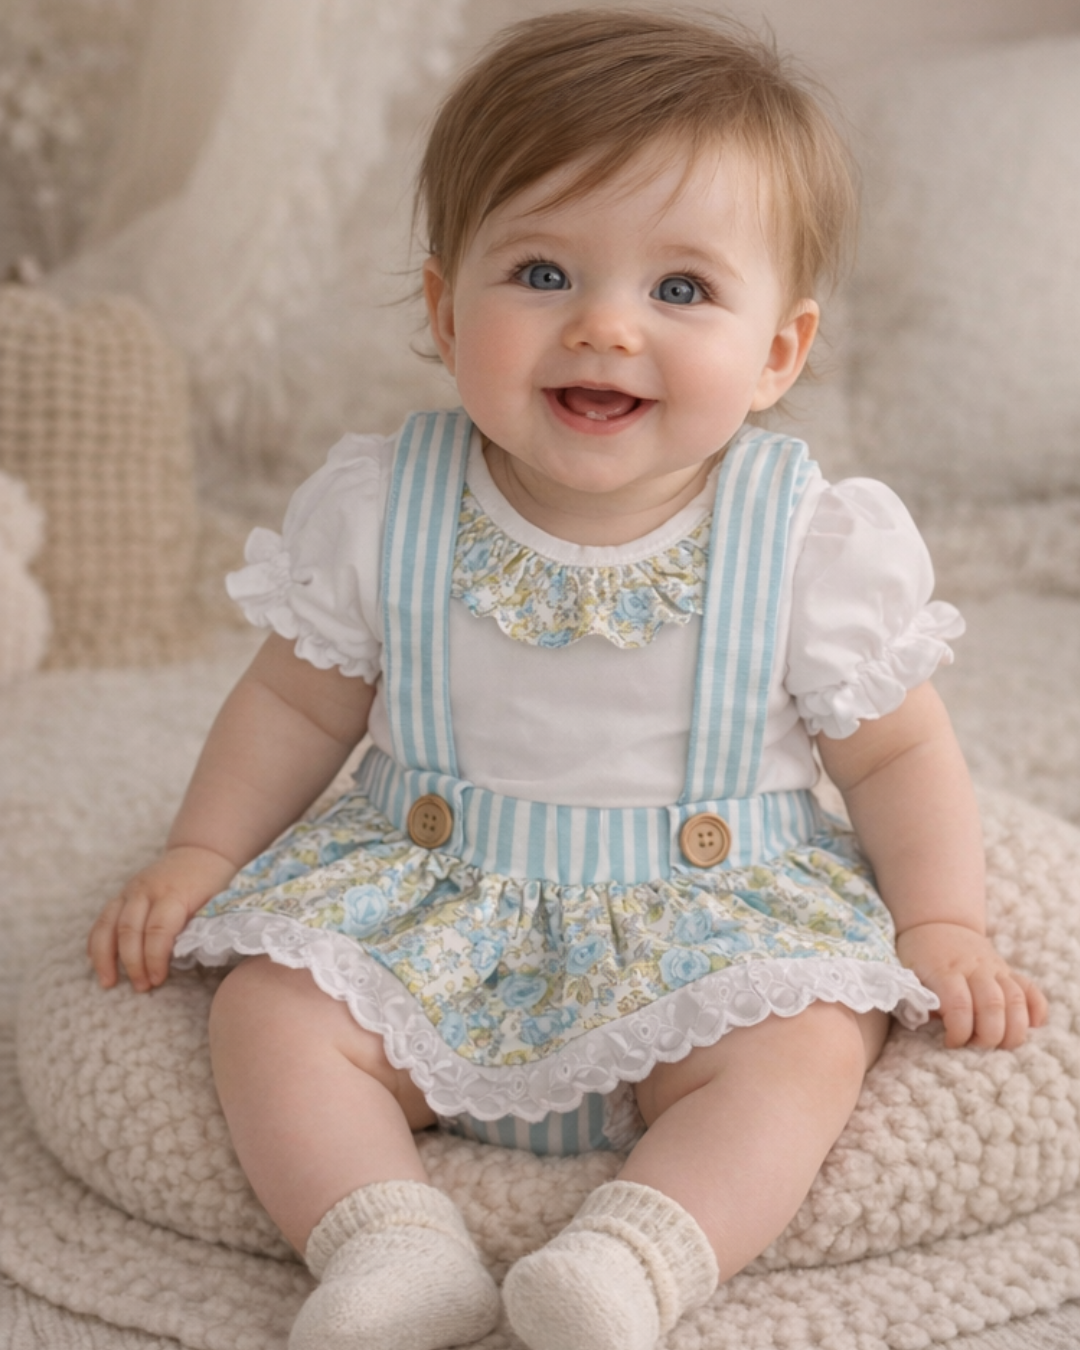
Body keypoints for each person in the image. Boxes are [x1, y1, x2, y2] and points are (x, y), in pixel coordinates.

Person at [87, 10, 1048, 1350]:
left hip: (706, 924)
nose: (603, 326)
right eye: (540, 272)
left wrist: (942, 920)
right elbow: (297, 703)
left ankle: (633, 1259)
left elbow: (896, 752)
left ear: (781, 350)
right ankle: (387, 1239)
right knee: (271, 1011)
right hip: (430, 901)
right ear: (442, 307)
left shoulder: (806, 542)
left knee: (815, 1036)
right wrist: (204, 847)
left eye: (681, 290)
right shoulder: (386, 507)